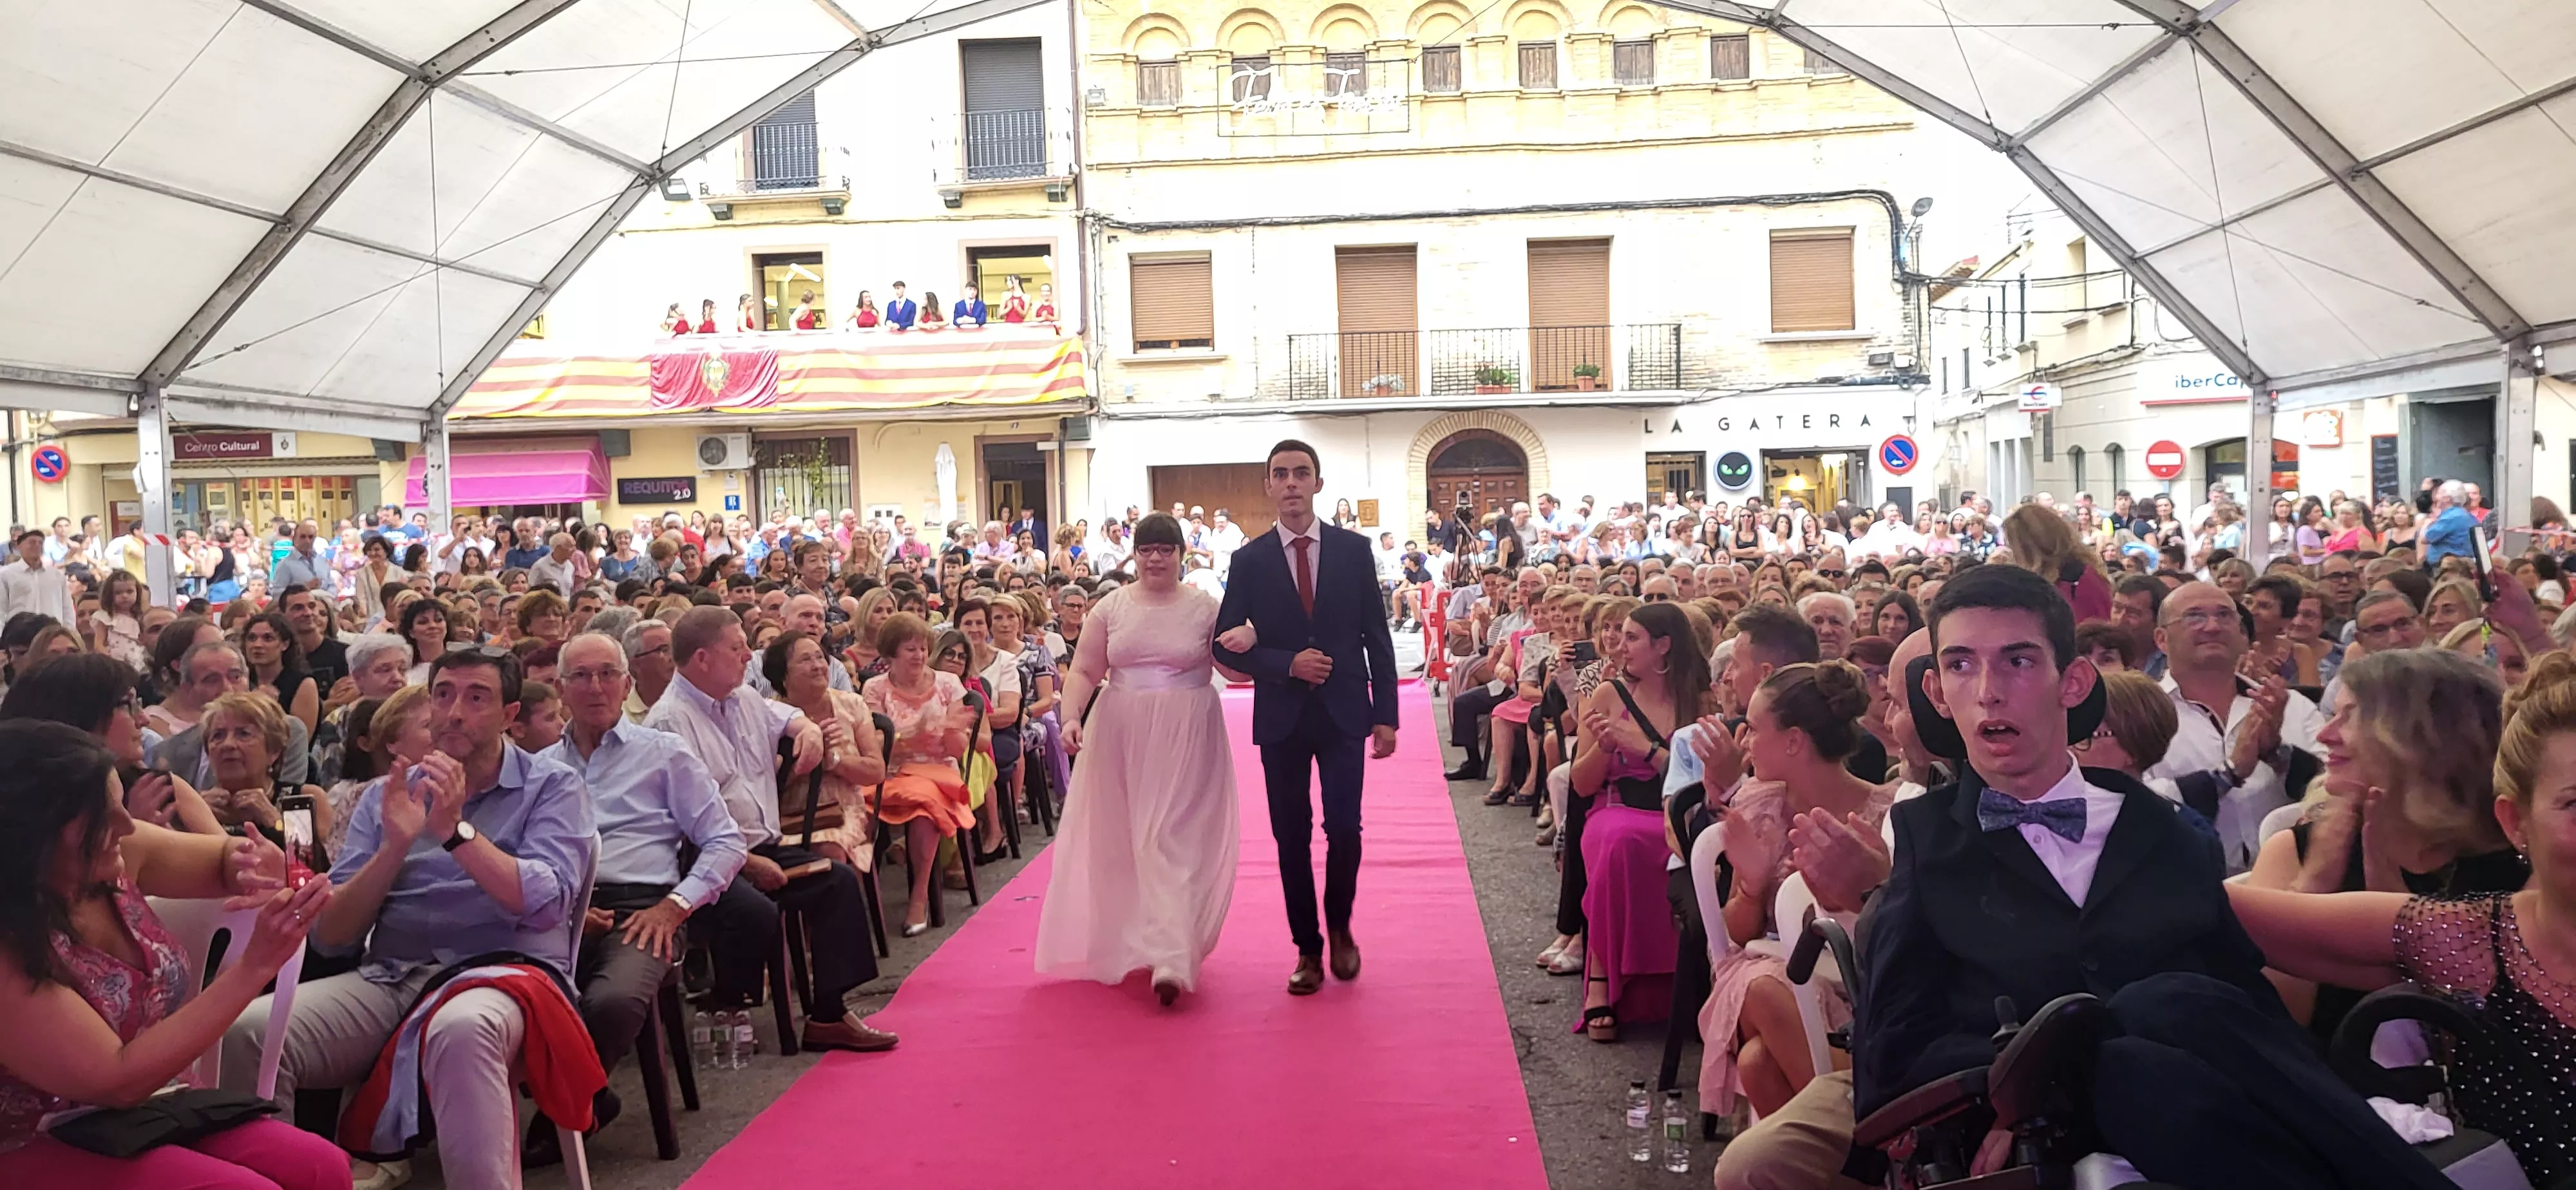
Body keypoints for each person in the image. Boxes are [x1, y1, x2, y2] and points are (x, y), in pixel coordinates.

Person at [1853, 563, 2455, 1189]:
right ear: (1936, 695)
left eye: (2018, 662)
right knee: (2139, 1039)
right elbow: (1891, 1059)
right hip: (2045, 1126)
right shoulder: (1926, 845)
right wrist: (2024, 1078)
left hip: (2200, 1106)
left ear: (2073, 681)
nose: (1987, 691)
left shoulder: (2158, 825)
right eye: (1959, 665)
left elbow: (2243, 1002)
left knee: (2167, 1006)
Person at [220, 648, 600, 1189]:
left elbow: (546, 902)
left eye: (476, 698)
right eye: (442, 695)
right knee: (248, 1032)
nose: (454, 713)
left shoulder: (552, 787)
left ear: (510, 715)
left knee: (462, 1028)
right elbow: (331, 936)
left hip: (505, 974)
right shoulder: (384, 797)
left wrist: (454, 833)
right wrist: (395, 846)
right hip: (394, 973)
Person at [2226, 654, 2576, 1186]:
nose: (2327, 734)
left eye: (2351, 715)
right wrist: (2315, 884)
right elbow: (2276, 1023)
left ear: (2423, 734)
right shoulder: (2304, 849)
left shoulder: (2522, 870)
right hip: (2357, 1126)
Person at [0, 720, 346, 1189]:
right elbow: (116, 1078)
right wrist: (255, 966)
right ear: (31, 835)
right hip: (27, 1136)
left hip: (145, 1106)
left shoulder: (118, 851)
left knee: (322, 1167)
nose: (126, 826)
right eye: (103, 816)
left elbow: (232, 861)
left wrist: (262, 860)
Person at [533, 632, 750, 1165]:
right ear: (560, 689)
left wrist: (675, 906)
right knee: (499, 995)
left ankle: (564, 1105)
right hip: (559, 911)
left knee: (610, 1002)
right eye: (580, 676)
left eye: (608, 674)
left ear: (628, 684)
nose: (595, 687)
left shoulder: (663, 754)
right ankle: (589, 1095)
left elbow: (726, 842)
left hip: (643, 909)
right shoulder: (537, 768)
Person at [643, 607, 895, 1052]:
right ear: (702, 659)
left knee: (836, 881)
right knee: (753, 911)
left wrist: (808, 732)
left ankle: (828, 1015)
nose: (748, 658)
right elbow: (686, 823)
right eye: (737, 649)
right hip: (702, 857)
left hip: (762, 842)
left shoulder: (742, 698)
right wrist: (747, 862)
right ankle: (726, 999)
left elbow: (788, 717)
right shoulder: (671, 722)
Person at [1036, 513, 1250, 1005]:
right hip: (1121, 730)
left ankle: (1174, 955)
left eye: (1166, 549)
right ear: (1134, 555)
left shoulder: (1205, 607)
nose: (1156, 558)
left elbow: (1234, 673)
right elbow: (1086, 669)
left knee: (1170, 836)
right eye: (1147, 549)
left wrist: (1251, 641)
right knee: (1128, 838)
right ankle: (1142, 939)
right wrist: (1070, 717)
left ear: (1181, 554)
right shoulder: (1111, 607)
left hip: (1189, 730)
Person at [1213, 440, 1400, 996]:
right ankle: (1308, 949)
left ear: (1317, 484)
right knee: (1290, 837)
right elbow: (1226, 647)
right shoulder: (1248, 561)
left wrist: (1385, 713)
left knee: (1345, 828)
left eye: (1301, 473)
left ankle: (1340, 924)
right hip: (1283, 718)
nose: (1291, 483)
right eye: (1280, 474)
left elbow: (1376, 635)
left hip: (1345, 712)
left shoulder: (1353, 550)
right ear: (1268, 487)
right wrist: (1284, 663)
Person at [1698, 660, 1892, 1115]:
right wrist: (1753, 884)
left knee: (1758, 1063)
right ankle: (1871, 1131)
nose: (1745, 742)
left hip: (1859, 984)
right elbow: (1734, 940)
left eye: (1753, 729)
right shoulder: (1760, 806)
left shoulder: (1887, 813)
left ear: (1794, 742)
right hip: (1768, 973)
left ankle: (1844, 1153)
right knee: (1765, 986)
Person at [860, 612, 977, 936]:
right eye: (911, 649)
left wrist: (955, 729)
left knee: (926, 806)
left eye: (924, 648)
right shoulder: (874, 689)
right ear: (891, 654)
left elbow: (955, 751)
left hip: (939, 773)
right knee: (856, 809)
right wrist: (915, 734)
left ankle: (919, 897)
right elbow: (877, 748)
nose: (920, 655)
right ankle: (856, 898)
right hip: (891, 773)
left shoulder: (948, 684)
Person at [0, 529, 73, 628]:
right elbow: (1, 609)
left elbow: (67, 608)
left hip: (52, 633)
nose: (37, 546)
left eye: (40, 543)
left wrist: (69, 632)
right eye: (32, 542)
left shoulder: (57, 575)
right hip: (19, 634)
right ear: (19, 546)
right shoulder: (6, 574)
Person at [267, 523, 327, 593]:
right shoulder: (285, 565)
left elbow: (331, 585)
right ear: (294, 539)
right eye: (303, 537)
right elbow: (277, 593)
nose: (307, 541)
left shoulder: (321, 561)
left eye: (311, 537)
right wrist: (303, 588)